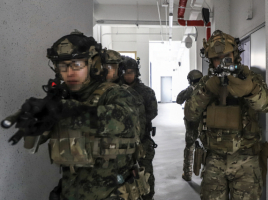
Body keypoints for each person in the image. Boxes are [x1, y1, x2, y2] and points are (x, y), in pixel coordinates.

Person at [11, 30, 149, 200]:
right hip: (71, 192)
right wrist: (38, 123)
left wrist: (69, 110)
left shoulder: (115, 93)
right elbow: (34, 144)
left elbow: (125, 121)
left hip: (113, 193)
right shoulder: (62, 98)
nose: (69, 72)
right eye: (63, 66)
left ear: (94, 64)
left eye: (77, 64)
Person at [184, 30, 268, 199]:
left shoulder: (250, 78)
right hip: (214, 159)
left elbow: (267, 105)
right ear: (210, 61)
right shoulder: (206, 83)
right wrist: (207, 91)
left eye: (226, 57)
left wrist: (249, 91)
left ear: (235, 54)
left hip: (246, 158)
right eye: (217, 59)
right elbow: (190, 113)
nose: (222, 62)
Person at [120, 56, 158, 200]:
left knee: (145, 173)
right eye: (125, 72)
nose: (128, 75)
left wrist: (136, 120)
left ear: (136, 73)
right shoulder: (114, 92)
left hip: (142, 141)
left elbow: (153, 112)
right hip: (121, 144)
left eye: (131, 72)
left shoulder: (146, 92)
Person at [176, 69, 203, 181]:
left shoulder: (190, 90)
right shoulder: (208, 89)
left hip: (191, 124)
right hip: (204, 125)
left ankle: (187, 174)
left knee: (189, 149)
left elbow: (178, 100)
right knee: (208, 150)